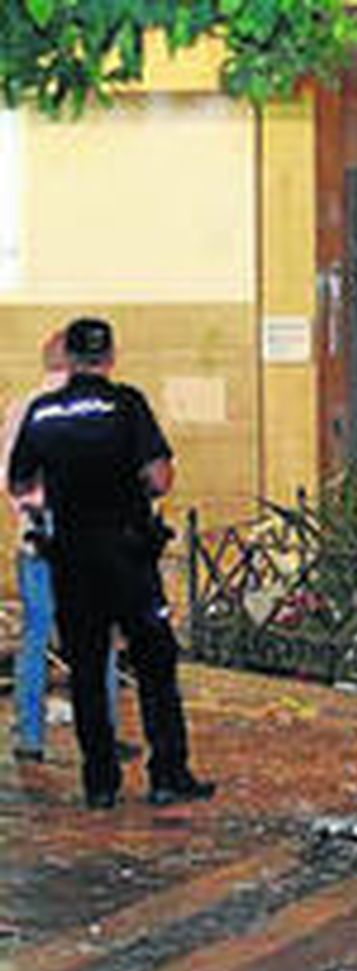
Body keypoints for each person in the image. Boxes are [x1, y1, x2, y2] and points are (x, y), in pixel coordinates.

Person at [7, 317, 213, 809]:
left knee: (85, 669)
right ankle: (167, 773)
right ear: (110, 356)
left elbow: (19, 482)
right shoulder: (126, 405)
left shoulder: (42, 413)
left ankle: (99, 782)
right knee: (154, 664)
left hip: (72, 559)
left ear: (70, 358)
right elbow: (160, 478)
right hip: (128, 556)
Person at [3, 329, 126, 764]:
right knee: (99, 638)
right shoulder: (101, 407)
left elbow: (12, 478)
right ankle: (103, 736)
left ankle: (30, 737)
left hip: (37, 540)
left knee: (36, 637)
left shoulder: (22, 409)